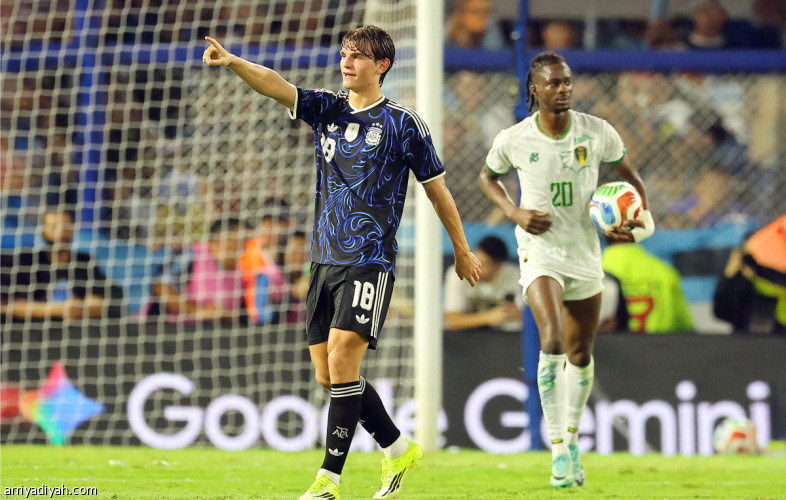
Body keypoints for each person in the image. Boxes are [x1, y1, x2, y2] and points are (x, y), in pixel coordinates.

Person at [203, 25, 481, 500]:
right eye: (344, 54)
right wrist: (233, 63)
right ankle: (398, 448)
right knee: (329, 375)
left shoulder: (403, 124)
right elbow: (277, 86)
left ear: (382, 66)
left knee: (341, 357)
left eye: (358, 56)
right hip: (323, 261)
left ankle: (328, 480)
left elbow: (438, 190)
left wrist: (462, 248)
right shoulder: (327, 108)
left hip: (370, 260)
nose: (347, 62)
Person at [478, 52, 655, 489]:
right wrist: (516, 213)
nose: (563, 89)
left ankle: (572, 440)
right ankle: (557, 448)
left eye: (568, 81)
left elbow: (632, 179)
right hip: (539, 252)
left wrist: (638, 222)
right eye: (554, 83)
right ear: (535, 89)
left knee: (580, 355)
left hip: (584, 254)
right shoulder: (515, 138)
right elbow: (487, 177)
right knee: (553, 341)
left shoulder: (597, 132)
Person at [1, 210, 123, 321]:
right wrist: (60, 309)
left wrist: (86, 308)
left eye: (66, 226)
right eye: (54, 227)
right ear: (43, 231)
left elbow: (100, 301)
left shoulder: (84, 261)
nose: (61, 232)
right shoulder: (28, 261)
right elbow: (8, 305)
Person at [148, 218, 248, 323]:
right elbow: (160, 287)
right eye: (241, 241)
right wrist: (196, 311)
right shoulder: (193, 254)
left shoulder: (242, 274)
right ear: (221, 238)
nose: (245, 247)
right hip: (175, 326)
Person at [602, 240, 693, 333]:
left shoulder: (598, 269)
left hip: (613, 341)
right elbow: (683, 323)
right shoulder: (664, 271)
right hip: (659, 341)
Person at [443, 235, 522, 332]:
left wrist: (517, 314)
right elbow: (451, 321)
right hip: (464, 336)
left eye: (483, 265)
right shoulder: (459, 273)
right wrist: (488, 317)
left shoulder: (514, 275)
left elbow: (523, 316)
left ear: (499, 266)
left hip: (503, 337)